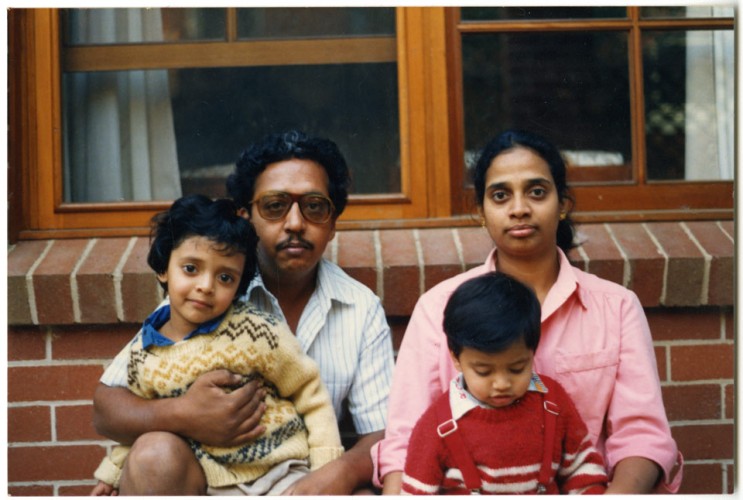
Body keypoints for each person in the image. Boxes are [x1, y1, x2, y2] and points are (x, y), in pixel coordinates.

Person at [373, 129, 683, 494]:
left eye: (537, 192)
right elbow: (405, 442)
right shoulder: (437, 308)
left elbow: (642, 437)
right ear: (480, 212)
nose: (519, 208)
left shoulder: (615, 307)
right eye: (500, 195)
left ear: (563, 204)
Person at [93, 130, 394, 495]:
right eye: (274, 205)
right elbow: (107, 407)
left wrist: (332, 476)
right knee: (153, 453)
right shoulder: (207, 295)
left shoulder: (359, 309)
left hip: (296, 476)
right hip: (206, 479)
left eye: (315, 206)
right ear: (245, 216)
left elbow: (382, 433)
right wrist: (187, 414)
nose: (296, 223)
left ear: (332, 223)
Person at [91, 194, 344, 495]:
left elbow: (309, 390)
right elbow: (140, 428)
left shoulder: (255, 330)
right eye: (191, 269)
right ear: (163, 269)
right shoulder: (144, 353)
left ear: (239, 285)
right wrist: (112, 474)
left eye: (225, 277)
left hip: (281, 472)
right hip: (210, 482)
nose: (206, 286)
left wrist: (326, 467)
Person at [401, 271, 607, 495]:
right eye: (484, 371)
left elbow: (582, 472)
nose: (501, 383)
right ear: (456, 358)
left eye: (516, 369)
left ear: (532, 352)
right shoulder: (439, 426)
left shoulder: (552, 403)